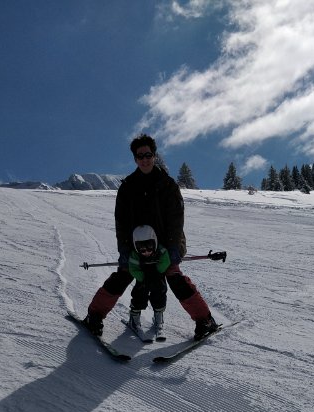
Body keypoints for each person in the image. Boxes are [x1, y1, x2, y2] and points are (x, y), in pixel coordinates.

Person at [83, 134, 218, 340]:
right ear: (135, 159)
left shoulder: (167, 185)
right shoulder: (128, 187)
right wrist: (124, 250)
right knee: (123, 275)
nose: (144, 159)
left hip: (166, 243)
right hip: (137, 244)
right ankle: (94, 316)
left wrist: (173, 248)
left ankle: (205, 320)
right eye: (140, 156)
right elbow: (122, 222)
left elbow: (176, 219)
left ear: (154, 156)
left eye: (148, 155)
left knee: (174, 277)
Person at [127, 224, 170, 338]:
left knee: (159, 296)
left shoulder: (161, 251)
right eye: (142, 249)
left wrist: (157, 271)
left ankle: (158, 319)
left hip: (158, 279)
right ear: (136, 246)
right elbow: (133, 269)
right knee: (139, 297)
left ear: (154, 242)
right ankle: (134, 319)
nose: (146, 252)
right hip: (143, 281)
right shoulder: (135, 255)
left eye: (150, 247)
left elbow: (166, 261)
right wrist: (143, 277)